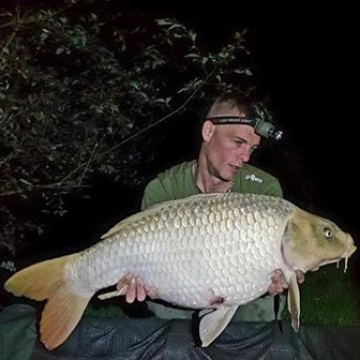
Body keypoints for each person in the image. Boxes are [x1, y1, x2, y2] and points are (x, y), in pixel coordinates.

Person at [119, 90, 305, 322]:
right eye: (238, 142)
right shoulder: (164, 189)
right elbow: (142, 265)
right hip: (179, 294)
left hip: (244, 301)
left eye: (252, 148)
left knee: (261, 316)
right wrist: (137, 281)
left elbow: (277, 266)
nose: (245, 156)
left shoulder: (264, 190)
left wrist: (279, 278)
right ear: (208, 131)